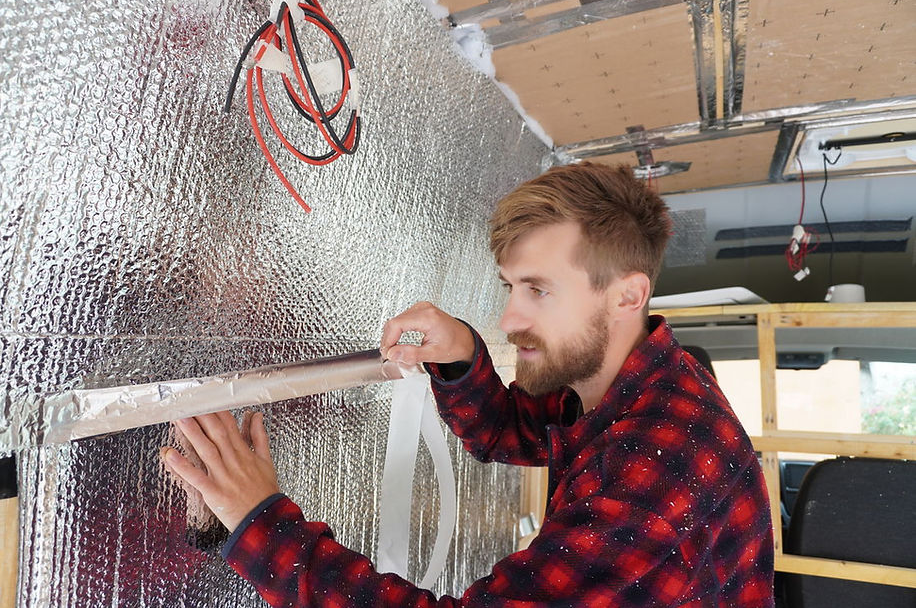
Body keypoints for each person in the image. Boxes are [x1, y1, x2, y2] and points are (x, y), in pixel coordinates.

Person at [160, 162, 775, 607]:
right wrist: (460, 358)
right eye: (510, 288)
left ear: (627, 295)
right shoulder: (632, 381)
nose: (509, 319)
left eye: (537, 289)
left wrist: (259, 523)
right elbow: (514, 431)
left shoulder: (661, 467)